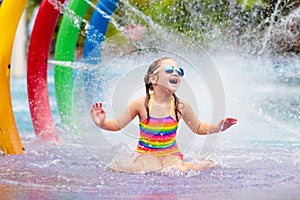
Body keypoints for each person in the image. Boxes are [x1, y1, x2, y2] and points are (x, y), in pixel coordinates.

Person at [91, 57, 237, 173]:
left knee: (176, 168)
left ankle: (197, 165)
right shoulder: (141, 105)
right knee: (148, 166)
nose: (175, 73)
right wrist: (102, 123)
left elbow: (198, 127)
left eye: (179, 71)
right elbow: (117, 124)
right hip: (146, 155)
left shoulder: (181, 107)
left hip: (171, 155)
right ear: (153, 79)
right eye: (168, 70)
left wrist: (218, 127)